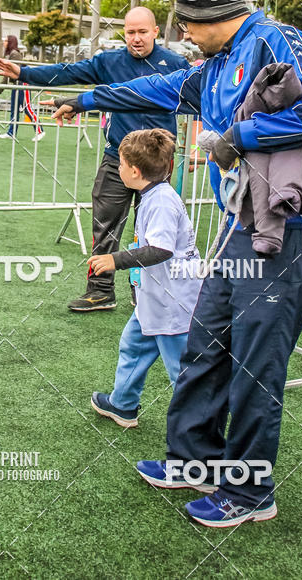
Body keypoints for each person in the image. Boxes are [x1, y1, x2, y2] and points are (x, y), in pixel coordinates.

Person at [53, 0, 302, 528]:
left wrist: (231, 139)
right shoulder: (211, 65)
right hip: (241, 220)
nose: (184, 35)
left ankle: (250, 492)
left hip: (291, 222)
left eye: (189, 25)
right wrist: (87, 96)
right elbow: (149, 89)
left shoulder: (280, 40)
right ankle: (194, 461)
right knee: (205, 341)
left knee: (257, 361)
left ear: (218, 17)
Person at [0, 7, 190, 312]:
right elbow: (68, 71)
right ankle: (99, 291)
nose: (136, 39)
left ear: (155, 32)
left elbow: (196, 99)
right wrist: (24, 73)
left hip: (157, 165)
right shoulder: (109, 62)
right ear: (123, 33)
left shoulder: (175, 64)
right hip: (118, 160)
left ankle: (147, 291)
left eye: (142, 32)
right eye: (130, 32)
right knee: (105, 226)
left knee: (153, 230)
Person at [89, 129, 203, 431]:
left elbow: (161, 250)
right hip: (154, 299)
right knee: (133, 345)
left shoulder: (161, 201)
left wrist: (116, 259)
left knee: (182, 371)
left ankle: (199, 433)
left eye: (121, 165)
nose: (119, 169)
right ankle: (123, 404)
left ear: (135, 171)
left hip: (172, 304)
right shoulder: (152, 194)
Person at [0, 35, 44, 141]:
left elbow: (11, 72)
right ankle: (11, 133)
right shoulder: (11, 54)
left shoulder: (15, 55)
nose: (4, 42)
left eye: (6, 41)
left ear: (10, 42)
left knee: (27, 108)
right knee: (14, 109)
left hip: (23, 84)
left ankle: (40, 130)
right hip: (16, 85)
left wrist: (1, 86)